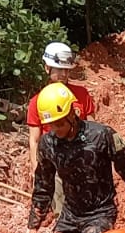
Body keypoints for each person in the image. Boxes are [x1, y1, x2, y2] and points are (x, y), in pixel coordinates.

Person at [24, 82, 125, 233]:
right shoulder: (48, 144)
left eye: (59, 124)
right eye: (51, 126)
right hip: (70, 213)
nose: (56, 131)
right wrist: (33, 226)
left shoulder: (101, 136)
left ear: (72, 114)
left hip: (100, 213)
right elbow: (43, 184)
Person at [27, 42, 97, 216]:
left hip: (81, 157)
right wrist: (37, 168)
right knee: (62, 211)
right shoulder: (37, 102)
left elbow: (94, 129)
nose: (63, 74)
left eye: (66, 70)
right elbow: (34, 139)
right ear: (47, 68)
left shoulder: (81, 95)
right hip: (55, 161)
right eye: (59, 70)